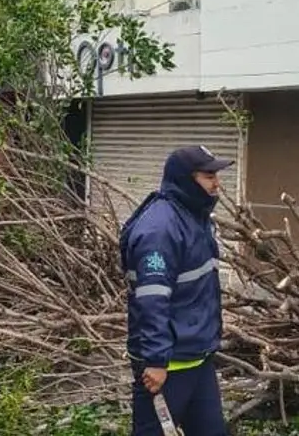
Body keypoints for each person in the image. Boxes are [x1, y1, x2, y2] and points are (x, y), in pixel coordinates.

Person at [120, 146, 231, 436]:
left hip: (199, 357)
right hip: (167, 367)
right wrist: (156, 361)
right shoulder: (160, 229)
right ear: (185, 179)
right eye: (209, 176)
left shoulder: (194, 217)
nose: (216, 183)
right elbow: (152, 301)